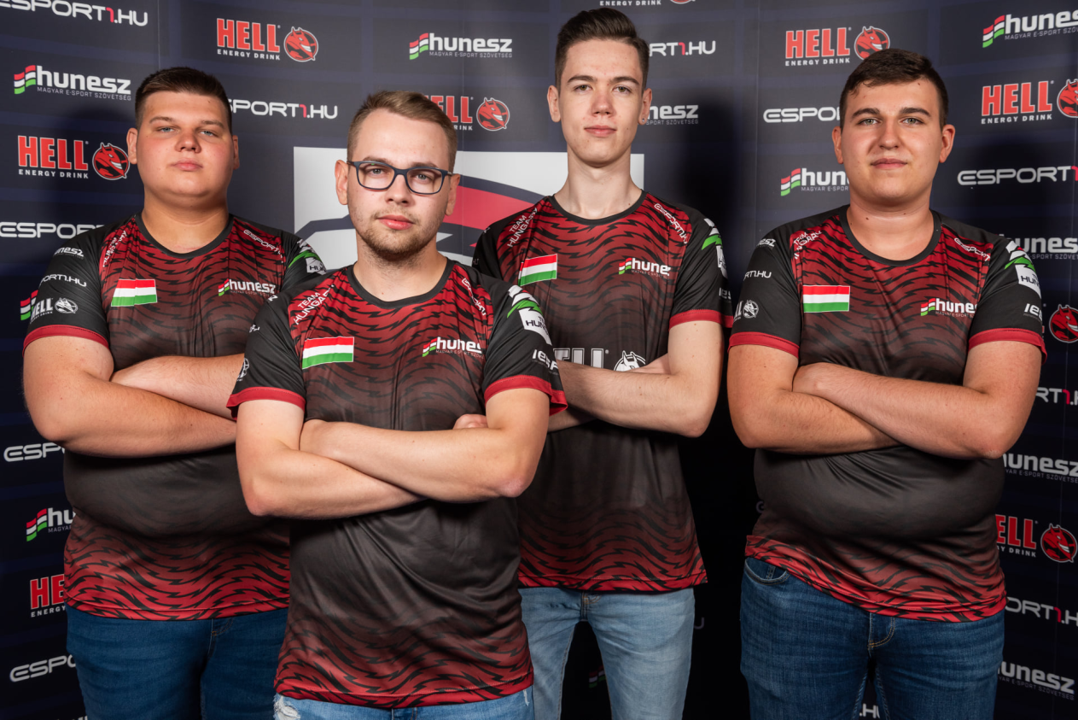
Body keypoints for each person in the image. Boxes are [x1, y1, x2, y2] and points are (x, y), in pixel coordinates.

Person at [728, 48, 1044, 720]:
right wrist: (939, 417)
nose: (889, 138)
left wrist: (824, 379)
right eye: (868, 119)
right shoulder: (785, 252)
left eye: (912, 119)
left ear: (944, 141)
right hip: (799, 586)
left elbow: (990, 427)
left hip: (952, 597)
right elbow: (758, 415)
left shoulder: (996, 261)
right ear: (839, 142)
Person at [229, 90, 565, 720]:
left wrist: (329, 438)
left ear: (451, 192)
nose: (399, 193)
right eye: (376, 170)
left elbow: (507, 467)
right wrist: (452, 467)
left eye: (423, 175)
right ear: (343, 181)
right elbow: (266, 485)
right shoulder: (288, 315)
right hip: (326, 682)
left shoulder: (505, 308)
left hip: (477, 682)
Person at [22, 67, 326, 719]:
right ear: (133, 147)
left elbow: (325, 384)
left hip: (270, 596)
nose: (188, 143)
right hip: (122, 601)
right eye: (166, 128)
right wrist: (260, 416)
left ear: (234, 151)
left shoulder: (289, 259)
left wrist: (150, 377)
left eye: (208, 131)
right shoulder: (85, 259)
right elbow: (64, 408)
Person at [472, 9, 732, 719]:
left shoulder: (688, 236)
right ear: (555, 102)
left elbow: (691, 407)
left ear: (645, 105)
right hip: (522, 561)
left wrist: (543, 387)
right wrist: (645, 381)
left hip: (651, 561)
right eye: (582, 86)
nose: (602, 105)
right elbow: (486, 415)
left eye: (622, 87)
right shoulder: (503, 243)